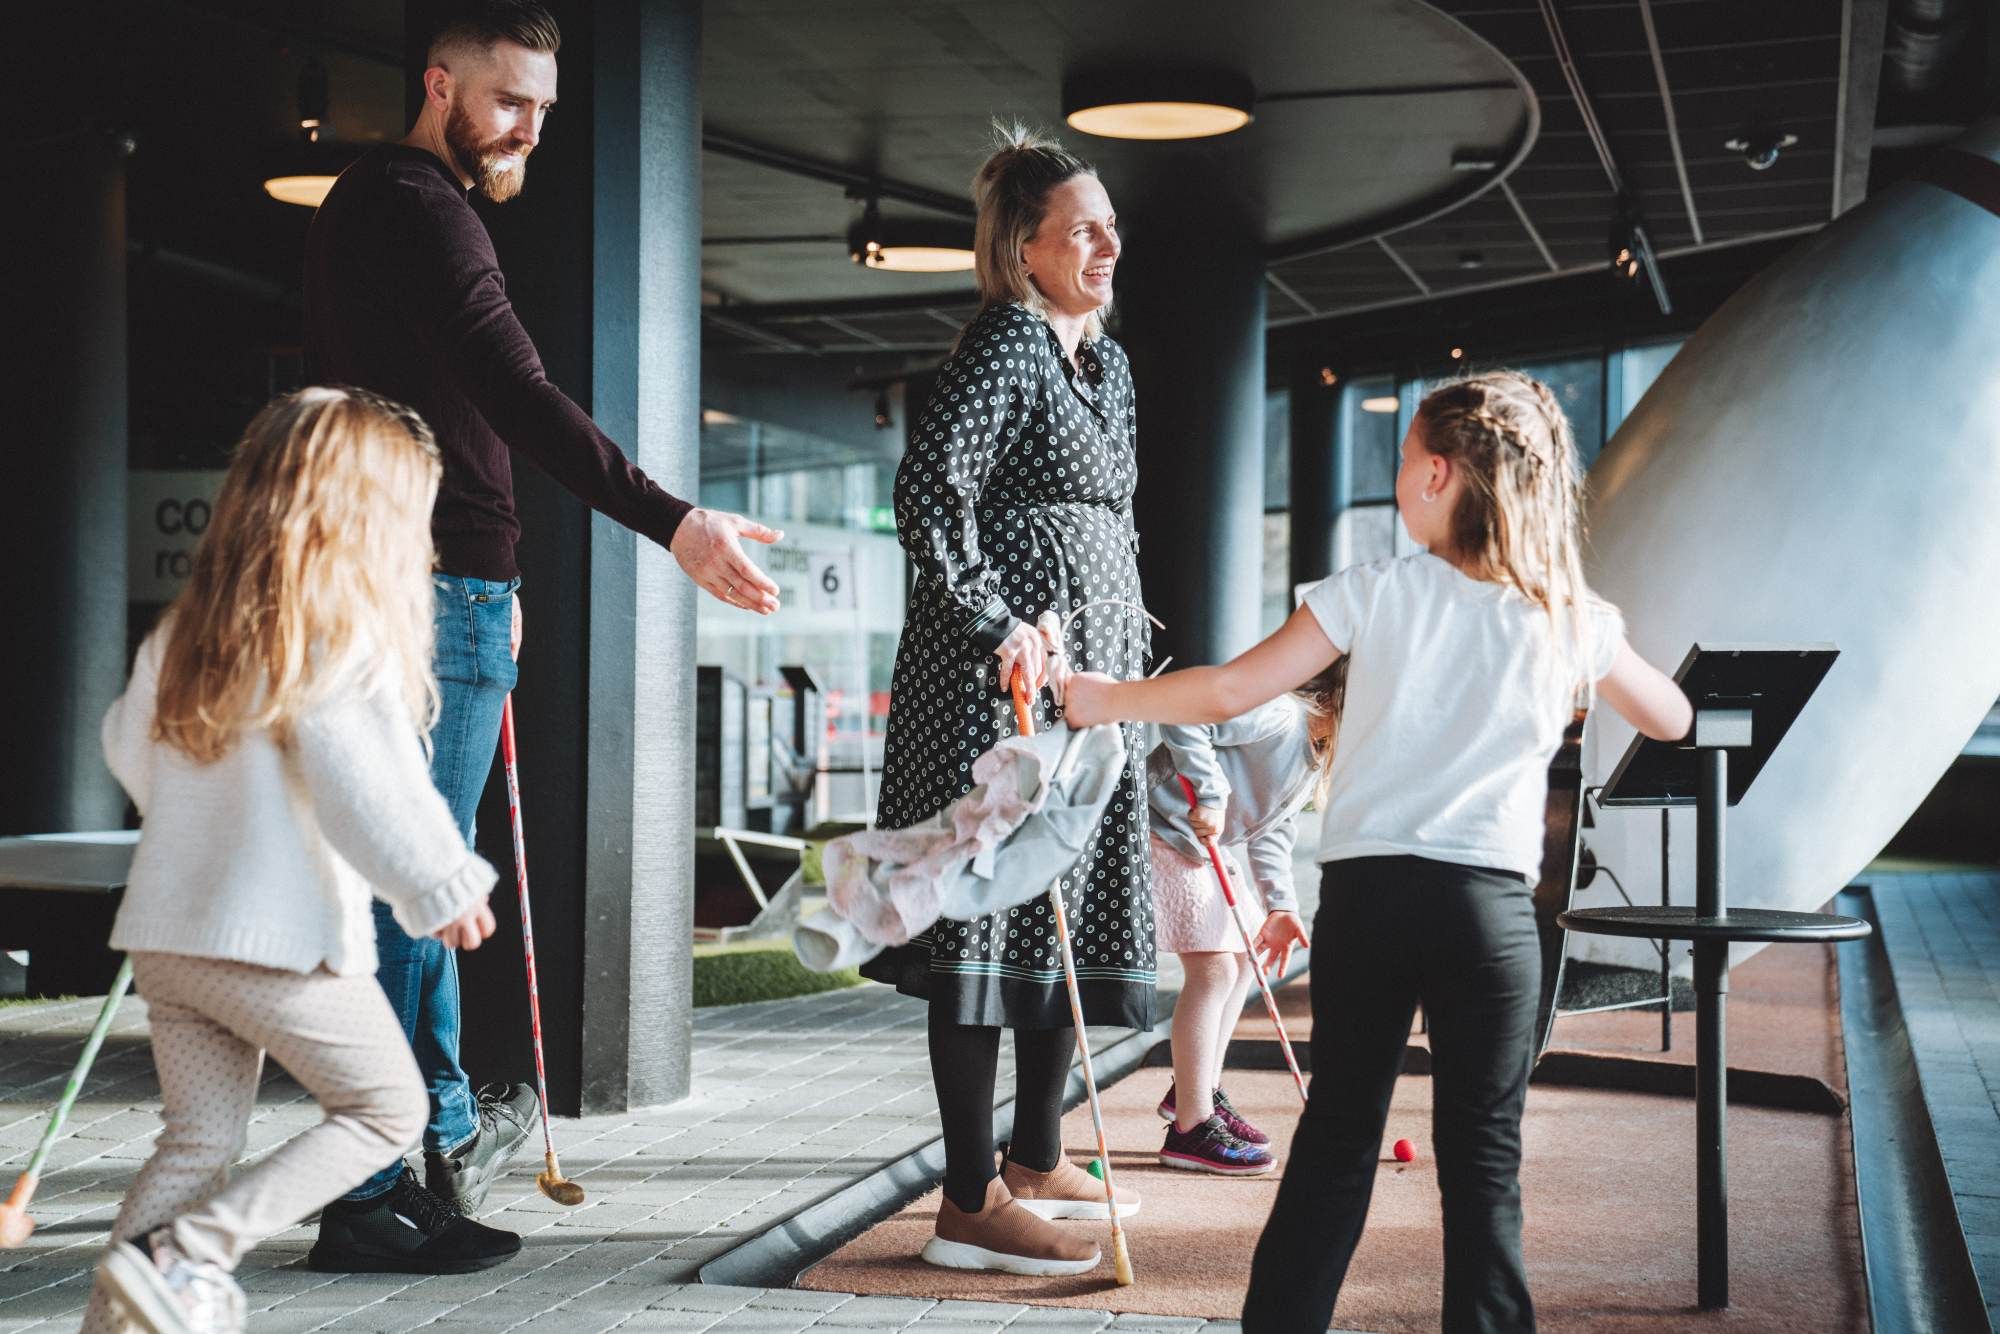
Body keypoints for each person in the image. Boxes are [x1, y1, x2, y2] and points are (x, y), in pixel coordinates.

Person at [301, 1, 780, 1270]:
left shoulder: (364, 203)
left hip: (397, 574)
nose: (528, 128)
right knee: (416, 889)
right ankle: (368, 1188)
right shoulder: (426, 207)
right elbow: (514, 387)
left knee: (418, 880)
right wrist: (672, 522)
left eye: (545, 110)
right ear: (438, 83)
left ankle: (431, 1139)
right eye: (509, 99)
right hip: (432, 589)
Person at [1065, 371, 1694, 1332]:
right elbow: (1673, 717)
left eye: (1404, 459)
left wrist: (1107, 697)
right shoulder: (1572, 617)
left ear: (1438, 475)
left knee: (1336, 1143)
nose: (1400, 477)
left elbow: (1228, 692)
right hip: (1488, 917)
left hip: (1368, 905)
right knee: (1484, 1163)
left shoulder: (1369, 593)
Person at [82, 388, 501, 1334]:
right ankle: (186, 1253)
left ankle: (120, 1320)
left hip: (170, 938)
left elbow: (126, 747)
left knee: (197, 1142)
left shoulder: (190, 632)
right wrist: (441, 884)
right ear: (371, 515)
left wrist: (205, 824)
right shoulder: (334, 630)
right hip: (273, 939)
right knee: (385, 1110)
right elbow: (369, 786)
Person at [864, 123, 1152, 1278]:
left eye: (1109, 227)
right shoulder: (1007, 341)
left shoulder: (1104, 365)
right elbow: (929, 492)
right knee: (990, 911)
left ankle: (1035, 1153)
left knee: (1059, 902)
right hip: (997, 683)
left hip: (1087, 678)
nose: (1105, 246)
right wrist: (999, 621)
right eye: (1081, 231)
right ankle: (968, 1199)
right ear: (1022, 248)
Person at [1144, 666, 1339, 1175]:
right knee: (1215, 970)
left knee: (1246, 958)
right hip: (1160, 827)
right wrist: (1210, 793)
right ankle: (1190, 1130)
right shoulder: (1281, 713)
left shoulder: (1315, 753)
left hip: (1199, 844)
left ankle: (1196, 1090)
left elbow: (1273, 828)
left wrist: (1281, 905)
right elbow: (1184, 714)